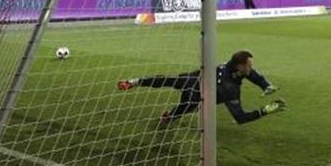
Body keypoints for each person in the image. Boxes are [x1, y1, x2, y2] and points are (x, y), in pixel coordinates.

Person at [116, 50, 285, 125]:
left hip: (193, 79)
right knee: (184, 104)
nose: (251, 67)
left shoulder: (232, 67)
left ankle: (134, 82)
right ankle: (135, 83)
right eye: (248, 65)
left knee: (167, 81)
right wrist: (265, 111)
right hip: (195, 93)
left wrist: (266, 85)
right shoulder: (230, 88)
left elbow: (253, 75)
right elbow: (240, 118)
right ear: (240, 66)